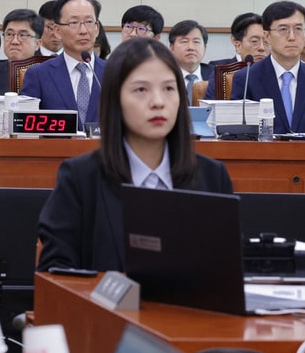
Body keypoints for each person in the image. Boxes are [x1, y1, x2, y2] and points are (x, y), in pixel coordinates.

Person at [37, 38, 234, 273]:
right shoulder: (81, 178)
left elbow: (227, 271)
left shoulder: (212, 177)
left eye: (169, 89)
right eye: (141, 89)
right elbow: (56, 273)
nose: (158, 102)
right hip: (105, 308)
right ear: (115, 99)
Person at [225, 1, 305, 134]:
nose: (291, 37)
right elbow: (239, 134)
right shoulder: (247, 79)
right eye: (283, 30)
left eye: (298, 29)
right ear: (267, 36)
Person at [21, 0, 106, 122]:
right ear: (57, 31)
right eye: (74, 23)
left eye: (89, 22)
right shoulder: (38, 75)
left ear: (96, 28)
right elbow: (25, 130)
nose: (83, 31)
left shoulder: (116, 73)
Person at [203, 12, 271, 99]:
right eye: (254, 41)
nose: (262, 48)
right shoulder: (222, 73)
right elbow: (212, 110)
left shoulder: (277, 72)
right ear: (237, 43)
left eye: (266, 42)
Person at [167, 20, 214, 101]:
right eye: (184, 41)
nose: (191, 47)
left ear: (205, 48)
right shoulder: (164, 76)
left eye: (196, 42)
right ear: (172, 48)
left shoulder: (216, 76)